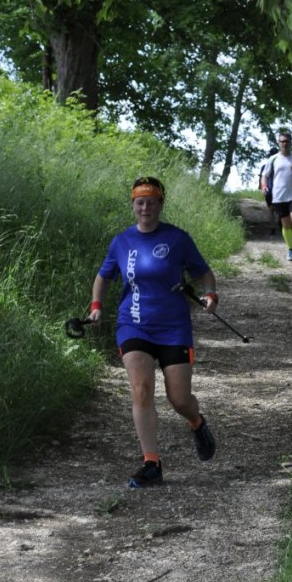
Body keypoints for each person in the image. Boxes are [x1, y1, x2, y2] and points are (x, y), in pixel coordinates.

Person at [88, 176, 217, 489]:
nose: (145, 207)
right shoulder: (122, 241)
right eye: (139, 202)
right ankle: (151, 463)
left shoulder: (177, 239)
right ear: (133, 205)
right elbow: (104, 277)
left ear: (160, 204)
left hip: (174, 327)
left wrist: (210, 295)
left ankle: (196, 422)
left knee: (179, 398)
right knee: (141, 389)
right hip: (133, 324)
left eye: (151, 202)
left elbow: (204, 273)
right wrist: (96, 306)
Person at [261, 130, 292, 263]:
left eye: (286, 141)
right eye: (282, 141)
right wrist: (264, 186)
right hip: (279, 196)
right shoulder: (273, 159)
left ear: (291, 142)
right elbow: (265, 175)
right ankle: (290, 249)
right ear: (278, 143)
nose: (284, 144)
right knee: (286, 225)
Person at [258, 146, 280, 235]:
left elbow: (261, 178)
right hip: (277, 190)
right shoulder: (279, 166)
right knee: (279, 208)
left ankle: (273, 228)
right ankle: (279, 224)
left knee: (271, 210)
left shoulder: (264, 166)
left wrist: (261, 187)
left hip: (269, 190)